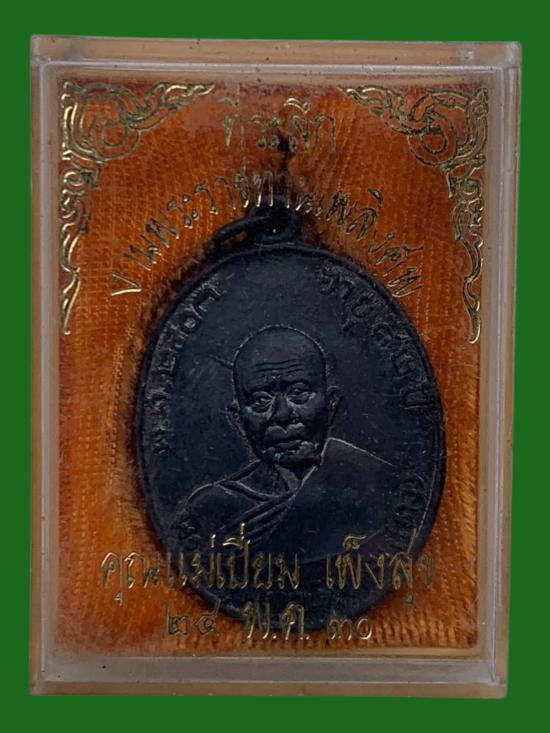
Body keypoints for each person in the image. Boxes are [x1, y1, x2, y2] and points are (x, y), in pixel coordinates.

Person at [174, 325, 397, 561]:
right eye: (261, 400)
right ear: (238, 420)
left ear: (331, 406)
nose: (282, 415)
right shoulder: (215, 507)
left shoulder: (373, 483)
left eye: (299, 393)